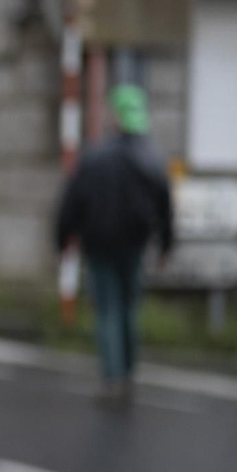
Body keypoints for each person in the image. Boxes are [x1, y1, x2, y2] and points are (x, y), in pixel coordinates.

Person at [55, 84, 174, 405]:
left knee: (107, 308)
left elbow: (71, 201)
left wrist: (63, 240)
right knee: (128, 308)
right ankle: (129, 372)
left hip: (98, 246)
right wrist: (165, 246)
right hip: (134, 245)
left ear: (115, 117)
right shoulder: (151, 158)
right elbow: (165, 207)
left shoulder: (94, 156)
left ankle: (112, 378)